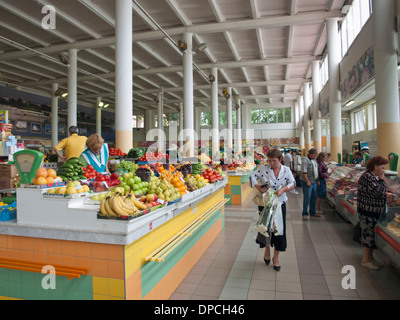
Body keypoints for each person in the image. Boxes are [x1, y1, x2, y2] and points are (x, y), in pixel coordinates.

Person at [250, 148, 296, 271]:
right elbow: (253, 175)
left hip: (280, 204)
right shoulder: (264, 168)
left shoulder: (286, 170)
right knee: (264, 228)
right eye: (269, 160)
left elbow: (293, 183)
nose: (271, 163)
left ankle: (276, 258)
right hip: (265, 203)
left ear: (280, 159)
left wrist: (283, 190)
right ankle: (266, 250)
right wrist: (257, 185)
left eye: (274, 161)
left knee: (279, 230)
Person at [357, 156, 388, 270]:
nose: (383, 170)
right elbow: (379, 192)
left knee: (371, 235)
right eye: (382, 167)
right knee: (368, 234)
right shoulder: (368, 177)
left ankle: (370, 258)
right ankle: (365, 260)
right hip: (367, 211)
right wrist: (382, 180)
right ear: (375, 166)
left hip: (372, 211)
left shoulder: (371, 176)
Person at [300, 148, 319, 220]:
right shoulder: (305, 160)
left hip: (313, 181)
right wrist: (307, 181)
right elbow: (304, 172)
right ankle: (305, 213)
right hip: (307, 182)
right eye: (316, 154)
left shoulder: (314, 160)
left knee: (314, 197)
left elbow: (316, 170)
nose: (316, 156)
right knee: (307, 197)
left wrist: (317, 180)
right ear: (312, 154)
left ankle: (312, 211)